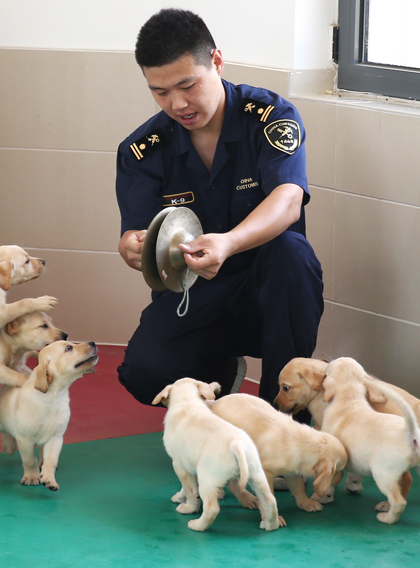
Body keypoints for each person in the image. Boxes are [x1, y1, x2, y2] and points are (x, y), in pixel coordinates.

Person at [115, 8, 323, 423]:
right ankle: (218, 377)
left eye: (187, 85)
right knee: (144, 373)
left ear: (217, 61)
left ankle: (282, 422)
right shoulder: (142, 150)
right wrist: (131, 246)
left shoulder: (270, 116)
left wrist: (228, 243)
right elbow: (136, 232)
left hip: (269, 289)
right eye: (160, 92)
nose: (177, 104)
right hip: (195, 295)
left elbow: (288, 201)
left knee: (291, 252)